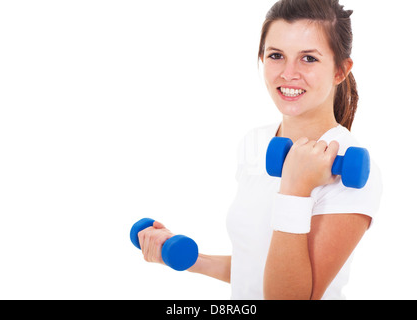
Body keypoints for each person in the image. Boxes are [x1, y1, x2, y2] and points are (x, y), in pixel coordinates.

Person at [137, 0, 382, 300]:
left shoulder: (349, 167)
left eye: (309, 59)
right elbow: (255, 268)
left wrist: (295, 188)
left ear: (340, 71)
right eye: (276, 56)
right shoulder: (255, 142)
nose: (288, 73)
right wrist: (191, 259)